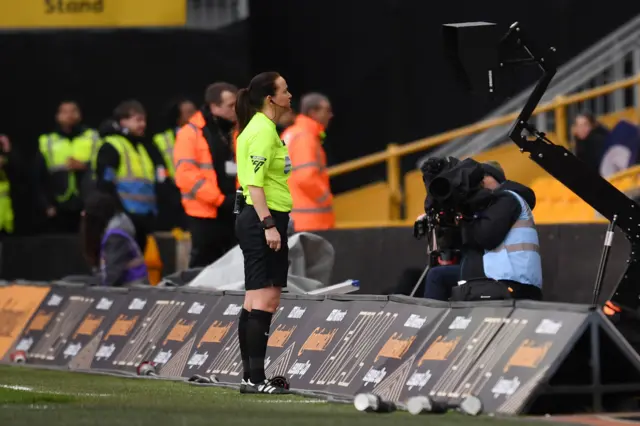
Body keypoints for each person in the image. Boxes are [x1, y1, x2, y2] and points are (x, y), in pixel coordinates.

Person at [234, 71, 293, 394]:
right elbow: (254, 184)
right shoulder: (262, 131)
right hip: (262, 218)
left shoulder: (260, 128)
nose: (290, 95)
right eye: (285, 90)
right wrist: (269, 224)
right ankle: (255, 379)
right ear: (270, 98)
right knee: (266, 299)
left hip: (256, 217)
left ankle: (250, 377)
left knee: (253, 300)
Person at [453, 160, 543, 301]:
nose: (479, 183)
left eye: (483, 177)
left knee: (439, 278)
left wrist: (466, 218)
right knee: (438, 275)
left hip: (514, 283)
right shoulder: (486, 207)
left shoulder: (508, 198)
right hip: (493, 280)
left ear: (496, 178)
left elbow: (486, 237)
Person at [174, 82, 239, 268]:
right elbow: (186, 176)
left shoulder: (236, 133)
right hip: (204, 214)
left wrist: (239, 202)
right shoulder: (190, 134)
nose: (236, 109)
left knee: (235, 267)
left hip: (234, 212)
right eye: (230, 105)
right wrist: (220, 200)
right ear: (214, 106)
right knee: (203, 267)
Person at [93, 100, 159, 252]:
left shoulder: (141, 148)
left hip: (144, 218)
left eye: (144, 120)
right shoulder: (112, 146)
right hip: (123, 218)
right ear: (123, 121)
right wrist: (120, 213)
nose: (143, 124)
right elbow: (105, 184)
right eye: (138, 120)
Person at [35, 100, 100, 233]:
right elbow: (37, 178)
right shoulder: (47, 141)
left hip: (86, 203)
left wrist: (84, 166)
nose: (69, 115)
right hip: (59, 205)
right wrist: (46, 205)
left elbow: (103, 167)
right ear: (57, 116)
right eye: (64, 112)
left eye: (73, 111)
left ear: (80, 115)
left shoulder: (92, 137)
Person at [281, 93, 335, 232]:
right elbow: (306, 177)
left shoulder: (291, 134)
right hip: (309, 221)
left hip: (293, 218)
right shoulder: (305, 138)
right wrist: (326, 199)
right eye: (327, 110)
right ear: (313, 112)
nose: (330, 115)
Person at [81, 192, 148, 287]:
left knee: (76, 283)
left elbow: (111, 278)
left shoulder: (116, 237)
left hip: (130, 290)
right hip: (128, 288)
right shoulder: (115, 229)